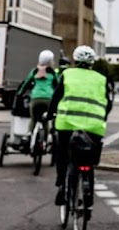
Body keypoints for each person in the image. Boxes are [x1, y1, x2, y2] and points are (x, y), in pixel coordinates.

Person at [49, 45, 114, 217]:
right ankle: (89, 203)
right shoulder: (101, 79)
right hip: (93, 127)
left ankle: (61, 185)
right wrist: (102, 118)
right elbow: (108, 103)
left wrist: (50, 114)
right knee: (88, 163)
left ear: (75, 60)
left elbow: (56, 97)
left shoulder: (67, 74)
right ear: (92, 62)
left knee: (62, 152)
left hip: (67, 124)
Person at [17, 49, 60, 138]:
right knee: (46, 120)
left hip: (35, 98)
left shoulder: (34, 71)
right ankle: (45, 140)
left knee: (33, 119)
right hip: (48, 99)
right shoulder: (52, 73)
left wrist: (20, 93)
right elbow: (58, 86)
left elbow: (26, 83)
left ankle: (29, 134)